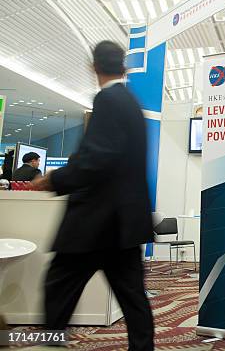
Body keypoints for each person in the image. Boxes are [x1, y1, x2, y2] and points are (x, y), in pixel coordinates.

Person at [32, 41, 155, 351]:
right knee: (133, 299)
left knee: (58, 287)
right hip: (123, 225)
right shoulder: (131, 103)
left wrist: (55, 178)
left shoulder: (108, 100)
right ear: (123, 67)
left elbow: (97, 157)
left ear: (94, 67)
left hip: (94, 224)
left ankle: (50, 343)